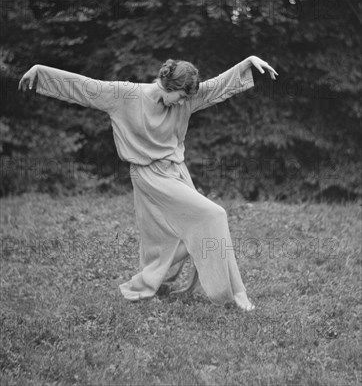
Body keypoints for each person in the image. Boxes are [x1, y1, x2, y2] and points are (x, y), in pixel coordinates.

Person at [18, 55, 278, 311]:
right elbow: (84, 86)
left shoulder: (185, 99)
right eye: (181, 97)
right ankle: (236, 293)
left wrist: (246, 63)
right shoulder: (126, 95)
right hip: (149, 177)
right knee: (214, 215)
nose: (184, 103)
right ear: (168, 85)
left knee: (176, 235)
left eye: (188, 99)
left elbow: (218, 85)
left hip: (177, 173)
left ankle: (156, 281)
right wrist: (41, 72)